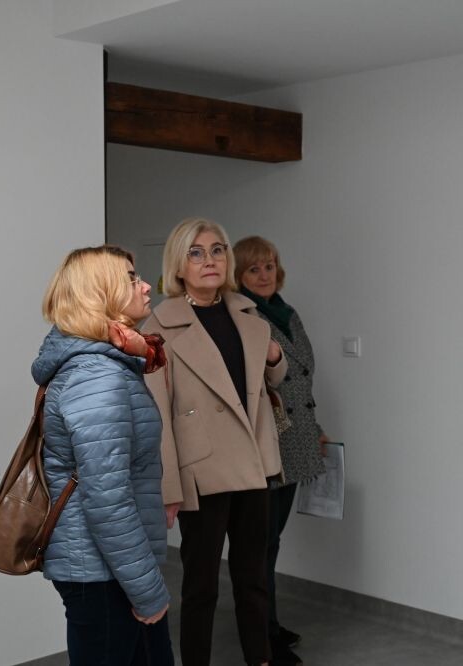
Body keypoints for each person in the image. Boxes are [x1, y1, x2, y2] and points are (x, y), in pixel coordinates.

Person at [141, 218, 286, 666]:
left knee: (254, 579)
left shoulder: (247, 312)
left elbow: (266, 381)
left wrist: (276, 357)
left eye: (218, 250)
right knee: (201, 586)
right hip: (202, 470)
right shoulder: (159, 326)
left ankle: (260, 659)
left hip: (253, 463)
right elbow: (157, 413)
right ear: (178, 265)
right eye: (197, 253)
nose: (210, 261)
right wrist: (169, 488)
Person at [31, 245, 174, 666]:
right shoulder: (97, 376)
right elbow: (107, 499)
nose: (145, 286)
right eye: (131, 279)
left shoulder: (106, 365)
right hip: (103, 573)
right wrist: (146, 591)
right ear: (100, 294)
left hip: (111, 567)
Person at [234, 236, 330, 666]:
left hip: (295, 441)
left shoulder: (287, 314)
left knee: (271, 542)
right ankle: (263, 638)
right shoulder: (243, 317)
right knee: (259, 547)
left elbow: (301, 381)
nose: (264, 275)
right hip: (263, 447)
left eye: (269, 266)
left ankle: (269, 625)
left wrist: (316, 429)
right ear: (239, 276)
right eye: (254, 269)